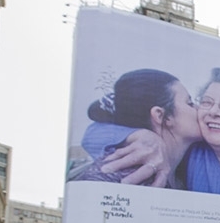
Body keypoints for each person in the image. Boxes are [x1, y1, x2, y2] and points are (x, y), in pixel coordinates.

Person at [84, 68, 220, 198]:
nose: (213, 112)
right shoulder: (190, 149)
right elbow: (92, 133)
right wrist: (142, 136)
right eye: (206, 102)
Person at [69, 69, 201, 187]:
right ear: (161, 116)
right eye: (189, 103)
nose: (199, 109)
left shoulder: (183, 170)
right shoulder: (112, 175)